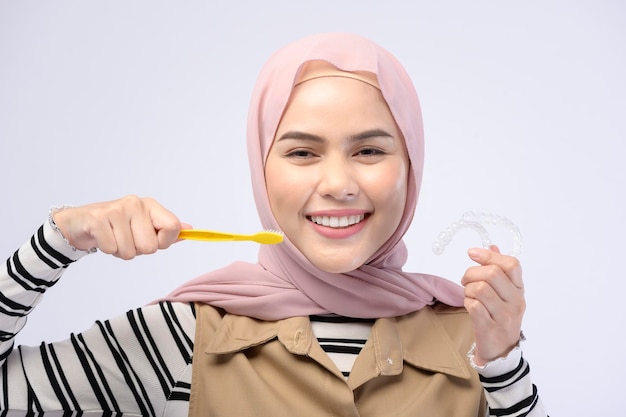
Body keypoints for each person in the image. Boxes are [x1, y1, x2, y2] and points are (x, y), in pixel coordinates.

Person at [0, 32, 548, 416]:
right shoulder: (180, 341)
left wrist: (503, 362)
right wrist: (60, 239)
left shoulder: (474, 341)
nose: (338, 182)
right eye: (303, 153)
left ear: (412, 166)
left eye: (370, 150)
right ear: (261, 170)